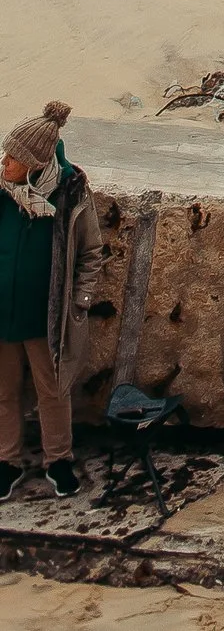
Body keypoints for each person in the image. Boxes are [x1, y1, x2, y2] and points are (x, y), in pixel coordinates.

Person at [0, 104, 93, 498]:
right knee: (2, 390)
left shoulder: (70, 192)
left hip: (47, 315)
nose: (4, 163)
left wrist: (79, 301)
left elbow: (91, 252)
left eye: (14, 158)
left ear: (36, 163)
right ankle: (6, 460)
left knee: (52, 390)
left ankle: (59, 460)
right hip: (2, 313)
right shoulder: (1, 190)